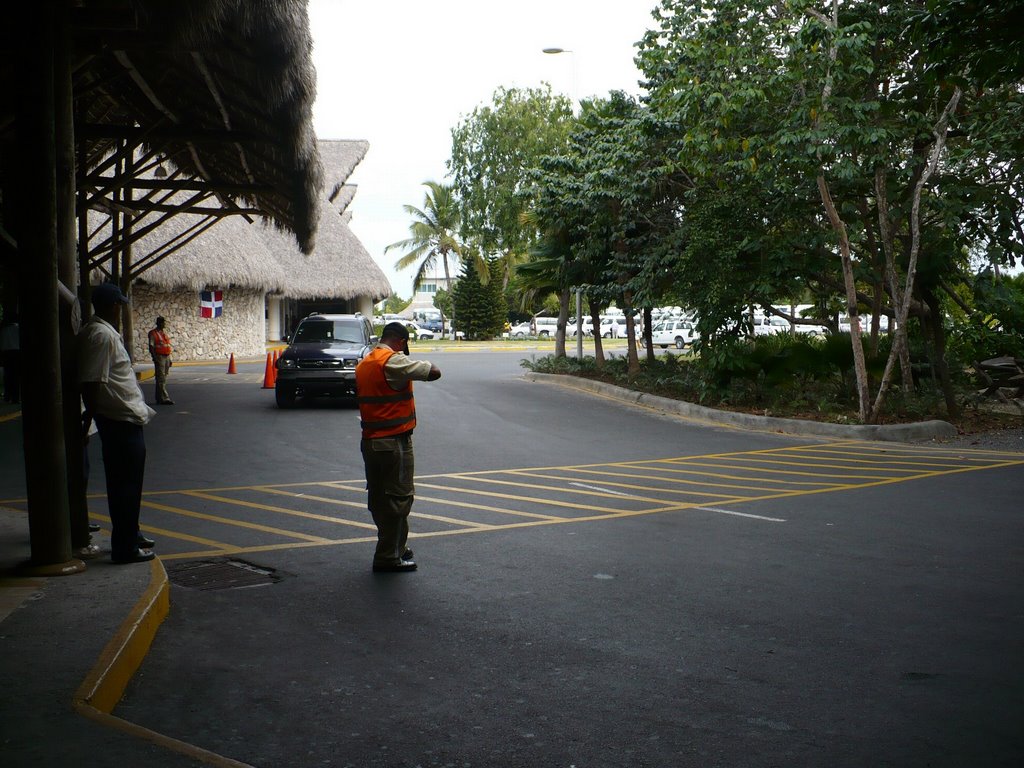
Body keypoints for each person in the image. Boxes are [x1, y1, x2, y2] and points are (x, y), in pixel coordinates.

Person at [78, 282, 157, 564]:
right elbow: (92, 382)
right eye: (120, 304)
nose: (121, 309)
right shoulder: (101, 336)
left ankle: (130, 534)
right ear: (113, 306)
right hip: (119, 422)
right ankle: (125, 548)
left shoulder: (103, 333)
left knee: (127, 485)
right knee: (126, 486)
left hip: (123, 420)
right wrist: (87, 421)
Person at [355, 321, 441, 573]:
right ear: (401, 342)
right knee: (400, 498)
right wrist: (409, 362)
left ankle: (396, 547)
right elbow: (434, 372)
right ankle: (388, 556)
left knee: (381, 498)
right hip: (394, 442)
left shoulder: (366, 363)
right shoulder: (392, 361)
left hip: (371, 441)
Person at [147, 315, 174, 404]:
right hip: (160, 357)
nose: (164, 324)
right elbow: (151, 346)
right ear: (159, 323)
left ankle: (159, 398)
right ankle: (164, 398)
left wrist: (169, 359)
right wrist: (155, 358)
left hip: (166, 357)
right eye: (163, 322)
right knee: (160, 378)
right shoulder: (153, 333)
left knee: (163, 377)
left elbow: (167, 346)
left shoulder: (163, 333)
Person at [0, 313, 20, 404]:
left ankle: (7, 396)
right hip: (16, 353)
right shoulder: (18, 328)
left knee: (7, 375)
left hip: (6, 353)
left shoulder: (3, 330)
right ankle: (15, 397)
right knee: (15, 376)